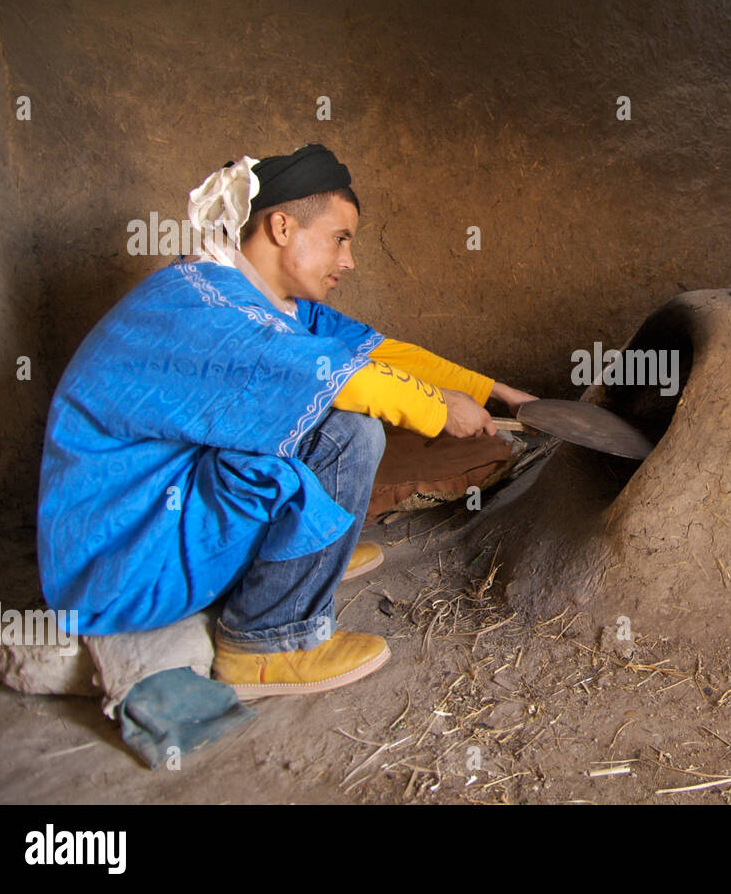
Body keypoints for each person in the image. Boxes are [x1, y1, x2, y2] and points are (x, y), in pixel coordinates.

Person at [36, 144, 536, 762]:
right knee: (347, 431)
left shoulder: (271, 300)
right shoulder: (200, 305)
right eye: (340, 239)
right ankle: (268, 639)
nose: (348, 261)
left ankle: (294, 567)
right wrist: (443, 410)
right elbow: (353, 382)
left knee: (336, 415)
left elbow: (384, 355)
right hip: (122, 556)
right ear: (281, 226)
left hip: (166, 520)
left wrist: (501, 394)